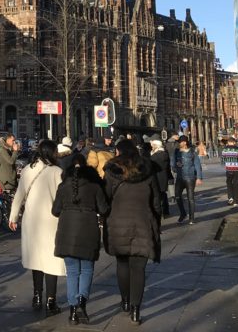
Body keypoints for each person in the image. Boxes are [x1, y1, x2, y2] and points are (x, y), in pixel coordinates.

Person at [103, 139, 161, 326]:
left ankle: (125, 301)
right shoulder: (148, 172)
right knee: (139, 268)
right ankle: (136, 309)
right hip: (143, 223)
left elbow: (106, 199)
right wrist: (156, 222)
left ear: (119, 153)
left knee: (122, 264)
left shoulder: (112, 173)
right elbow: (157, 202)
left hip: (118, 224)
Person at [9, 139, 66, 317]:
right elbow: (62, 197)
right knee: (51, 261)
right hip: (51, 220)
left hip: (31, 220)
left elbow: (19, 195)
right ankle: (51, 300)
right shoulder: (58, 171)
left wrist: (13, 217)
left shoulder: (27, 170)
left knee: (36, 260)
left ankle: (37, 296)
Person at [52, 154, 108, 325]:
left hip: (67, 232)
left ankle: (73, 311)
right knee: (87, 269)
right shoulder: (94, 187)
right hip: (88, 231)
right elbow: (104, 209)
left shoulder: (63, 187)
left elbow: (55, 211)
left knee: (72, 273)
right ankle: (82, 303)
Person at [172, 135, 203, 224]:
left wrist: (199, 178)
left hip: (190, 178)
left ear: (184, 142)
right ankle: (183, 213)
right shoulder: (176, 151)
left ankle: (191, 218)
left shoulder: (192, 152)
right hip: (179, 178)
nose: (178, 144)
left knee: (190, 198)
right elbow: (173, 163)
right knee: (177, 196)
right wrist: (175, 165)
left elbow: (197, 165)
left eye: (180, 142)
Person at [148, 138, 171, 217]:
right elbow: (168, 167)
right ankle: (166, 212)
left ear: (156, 146)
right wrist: (170, 176)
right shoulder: (164, 154)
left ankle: (159, 212)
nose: (152, 147)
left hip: (156, 177)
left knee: (157, 196)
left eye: (153, 145)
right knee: (163, 195)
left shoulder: (154, 156)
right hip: (163, 177)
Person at [221, 136, 238, 205]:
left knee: (229, 183)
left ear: (228, 142)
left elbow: (223, 159)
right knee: (236, 184)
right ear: (234, 142)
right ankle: (236, 201)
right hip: (236, 169)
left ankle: (230, 197)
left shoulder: (224, 150)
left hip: (229, 169)